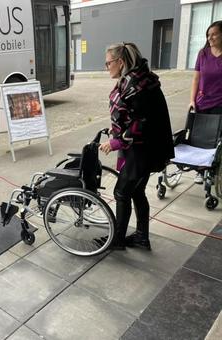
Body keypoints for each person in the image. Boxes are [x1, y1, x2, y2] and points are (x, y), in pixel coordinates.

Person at [99, 42, 174, 250]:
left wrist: (116, 142)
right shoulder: (139, 80)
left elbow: (140, 124)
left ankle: (118, 240)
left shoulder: (136, 85)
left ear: (120, 62)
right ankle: (141, 236)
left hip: (142, 150)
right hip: (145, 148)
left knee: (122, 192)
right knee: (137, 192)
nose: (106, 68)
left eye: (108, 63)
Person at [189, 20, 222, 184]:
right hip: (202, 102)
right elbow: (196, 78)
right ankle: (200, 171)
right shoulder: (203, 54)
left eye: (214, 34)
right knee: (200, 138)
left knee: (216, 139)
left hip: (220, 104)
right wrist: (191, 100)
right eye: (208, 35)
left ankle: (213, 169)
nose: (210, 37)